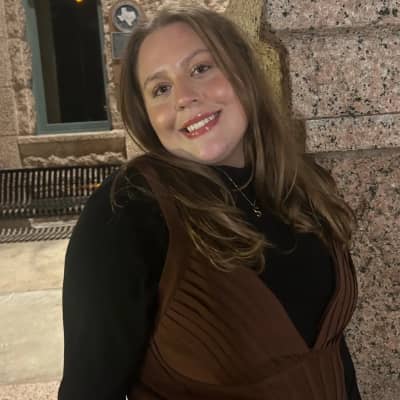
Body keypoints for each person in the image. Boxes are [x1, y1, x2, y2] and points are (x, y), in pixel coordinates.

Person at [58, 5, 362, 400]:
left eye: (201, 68)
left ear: (243, 72)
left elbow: (331, 355)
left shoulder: (303, 185)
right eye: (160, 89)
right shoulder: (127, 211)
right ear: (147, 117)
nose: (185, 98)